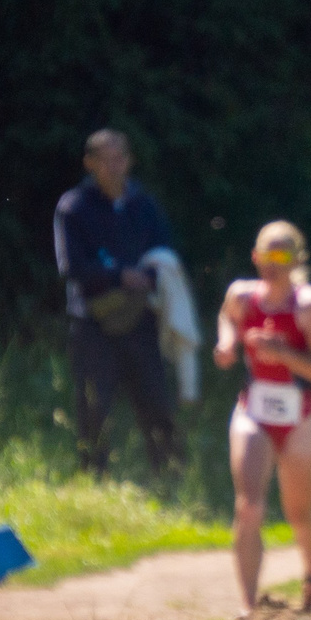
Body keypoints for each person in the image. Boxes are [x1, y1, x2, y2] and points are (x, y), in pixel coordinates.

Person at [212, 221, 311, 613]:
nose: (273, 263)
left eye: (282, 256)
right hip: (254, 411)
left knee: (298, 513)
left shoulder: (306, 305)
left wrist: (283, 354)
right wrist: (227, 342)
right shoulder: (242, 296)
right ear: (255, 257)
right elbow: (226, 317)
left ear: (297, 260)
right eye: (266, 254)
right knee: (248, 507)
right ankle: (249, 610)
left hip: (301, 417)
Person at [52, 129, 180, 475]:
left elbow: (165, 255)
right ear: (89, 164)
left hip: (140, 319)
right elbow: (71, 267)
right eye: (105, 160)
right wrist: (119, 276)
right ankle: (94, 479)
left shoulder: (144, 204)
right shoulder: (73, 207)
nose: (114, 166)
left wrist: (147, 279)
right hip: (92, 324)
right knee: (93, 406)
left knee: (156, 400)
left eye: (119, 158)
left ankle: (169, 476)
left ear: (129, 160)